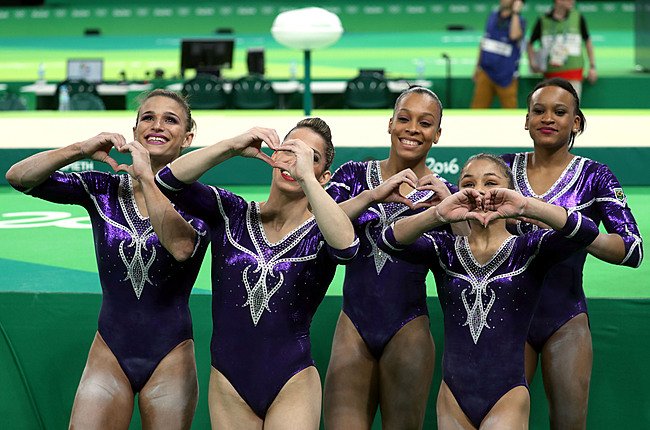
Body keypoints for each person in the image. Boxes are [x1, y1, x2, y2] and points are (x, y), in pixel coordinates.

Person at [4, 89, 210, 429]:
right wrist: (79, 149)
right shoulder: (103, 191)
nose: (157, 125)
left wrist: (146, 176)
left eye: (170, 120)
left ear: (187, 137)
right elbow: (19, 178)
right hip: (109, 351)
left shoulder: (202, 202)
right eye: (148, 117)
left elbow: (182, 247)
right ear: (134, 132)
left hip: (170, 356)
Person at [151, 118, 359, 429]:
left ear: (324, 175)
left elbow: (346, 247)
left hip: (293, 381)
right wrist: (232, 146)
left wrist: (308, 180)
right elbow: (168, 180)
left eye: (310, 158)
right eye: (289, 151)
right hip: (229, 383)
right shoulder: (231, 211)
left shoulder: (322, 230)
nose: (296, 161)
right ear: (275, 156)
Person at [378, 153, 600, 429]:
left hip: (507, 396)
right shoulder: (444, 250)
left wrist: (527, 207)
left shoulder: (528, 249)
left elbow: (586, 233)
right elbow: (388, 240)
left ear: (509, 192)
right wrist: (436, 214)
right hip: (452, 397)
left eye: (491, 183)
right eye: (468, 184)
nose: (479, 191)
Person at [501, 77, 643, 429]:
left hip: (564, 318)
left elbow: (632, 250)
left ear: (576, 122)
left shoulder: (595, 176)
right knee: (500, 421)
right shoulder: (500, 170)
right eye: (539, 111)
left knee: (568, 424)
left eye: (560, 112)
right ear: (526, 120)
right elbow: (465, 226)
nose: (548, 118)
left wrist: (574, 229)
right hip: (506, 313)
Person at [323, 86, 465, 429]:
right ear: (390, 124)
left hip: (408, 329)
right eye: (404, 118)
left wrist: (452, 212)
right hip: (353, 326)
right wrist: (372, 196)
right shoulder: (354, 176)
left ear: (438, 134)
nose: (413, 128)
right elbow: (320, 222)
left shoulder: (443, 194)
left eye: (425, 123)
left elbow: (470, 260)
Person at [527, 0, 597, 99]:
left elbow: (588, 41)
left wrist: (592, 67)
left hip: (574, 74)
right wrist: (532, 63)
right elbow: (530, 43)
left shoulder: (577, 17)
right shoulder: (543, 19)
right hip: (550, 77)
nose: (573, 1)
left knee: (571, 110)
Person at [470, 0, 526, 109]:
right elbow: (484, 42)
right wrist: (477, 67)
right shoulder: (492, 16)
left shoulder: (520, 21)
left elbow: (514, 35)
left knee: (510, 115)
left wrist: (515, 13)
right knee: (476, 112)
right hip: (485, 72)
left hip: (507, 76)